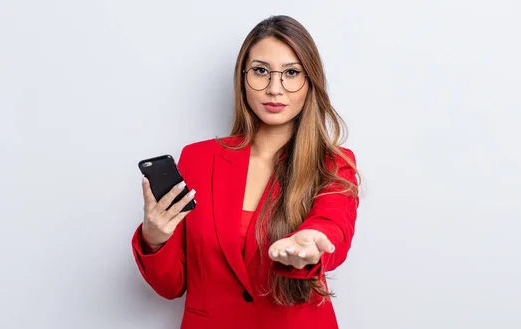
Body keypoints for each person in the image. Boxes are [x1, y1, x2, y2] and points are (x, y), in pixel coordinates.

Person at [132, 15, 360, 329]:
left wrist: (312, 241)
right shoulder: (198, 159)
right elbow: (171, 286)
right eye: (261, 71)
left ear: (310, 81)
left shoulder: (335, 163)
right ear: (243, 77)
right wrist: (155, 238)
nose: (274, 88)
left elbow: (333, 221)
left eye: (291, 73)